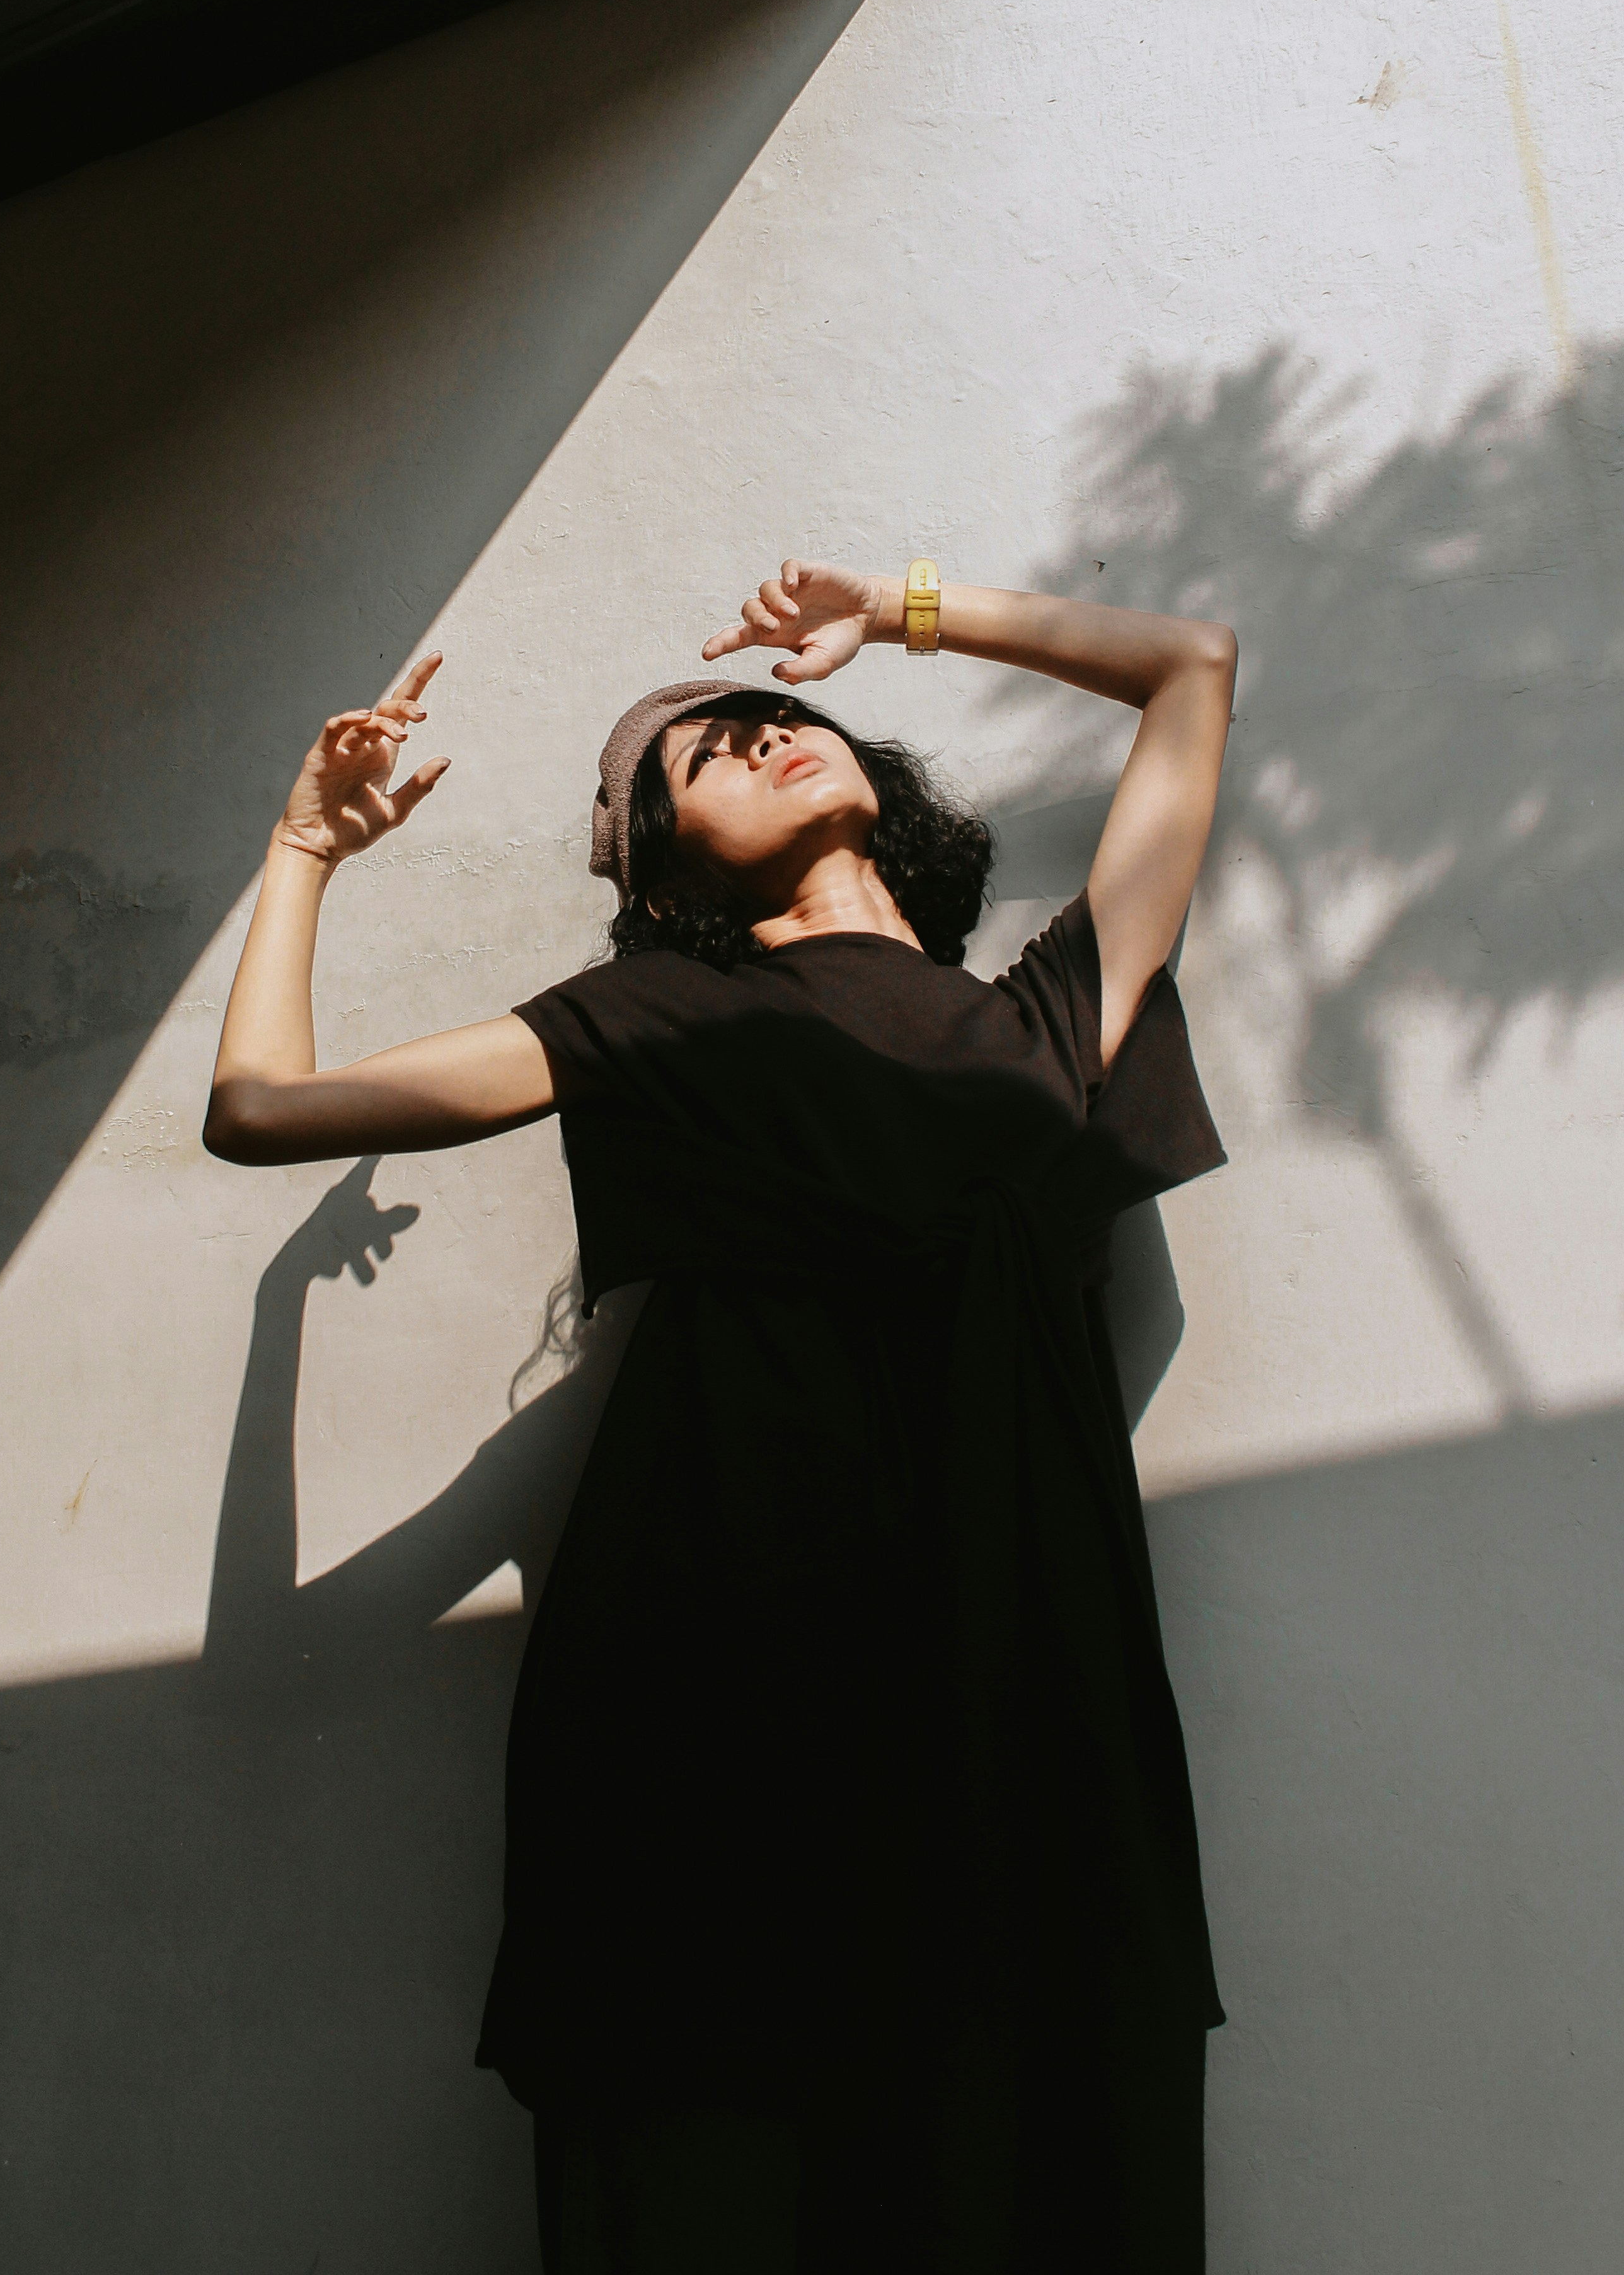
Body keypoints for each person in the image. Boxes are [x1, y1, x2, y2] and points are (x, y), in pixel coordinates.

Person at [204, 559, 1238, 2272]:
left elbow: (1191, 667)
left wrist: (905, 609)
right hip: (717, 1723)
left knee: (1056, 2170)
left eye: (779, 718)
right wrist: (305, 849)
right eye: (698, 754)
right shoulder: (656, 1014)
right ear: (663, 860)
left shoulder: (1053, 1020)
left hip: (1029, 1707)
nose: (755, 736)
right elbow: (260, 1107)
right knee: (722, 2185)